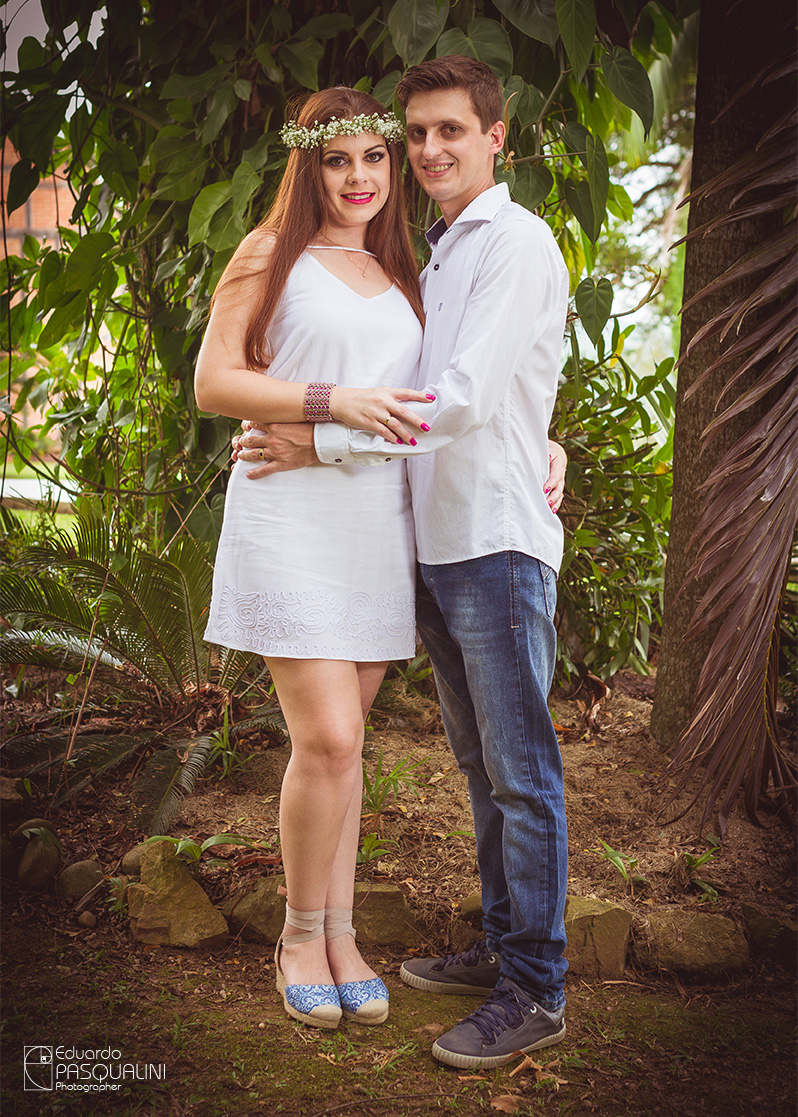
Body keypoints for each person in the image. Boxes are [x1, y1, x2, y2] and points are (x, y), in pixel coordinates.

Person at [233, 56, 571, 1069]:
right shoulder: (438, 251)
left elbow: (462, 397)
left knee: (522, 775)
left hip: (496, 544)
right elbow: (458, 381)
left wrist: (320, 436)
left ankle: (536, 988)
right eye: (415, 134)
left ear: (496, 137)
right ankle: (501, 948)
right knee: (482, 768)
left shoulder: (514, 242)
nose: (427, 152)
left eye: (447, 133)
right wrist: (542, 430)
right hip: (433, 542)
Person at [195, 86, 436, 1031]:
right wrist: (326, 407)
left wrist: (543, 442)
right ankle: (298, 935)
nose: (361, 177)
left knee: (347, 748)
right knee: (328, 738)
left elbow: (427, 410)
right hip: (287, 512)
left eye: (376, 158)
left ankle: (342, 933)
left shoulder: (404, 269)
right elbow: (217, 381)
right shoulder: (270, 253)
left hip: (377, 517)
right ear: (308, 165)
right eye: (340, 160)